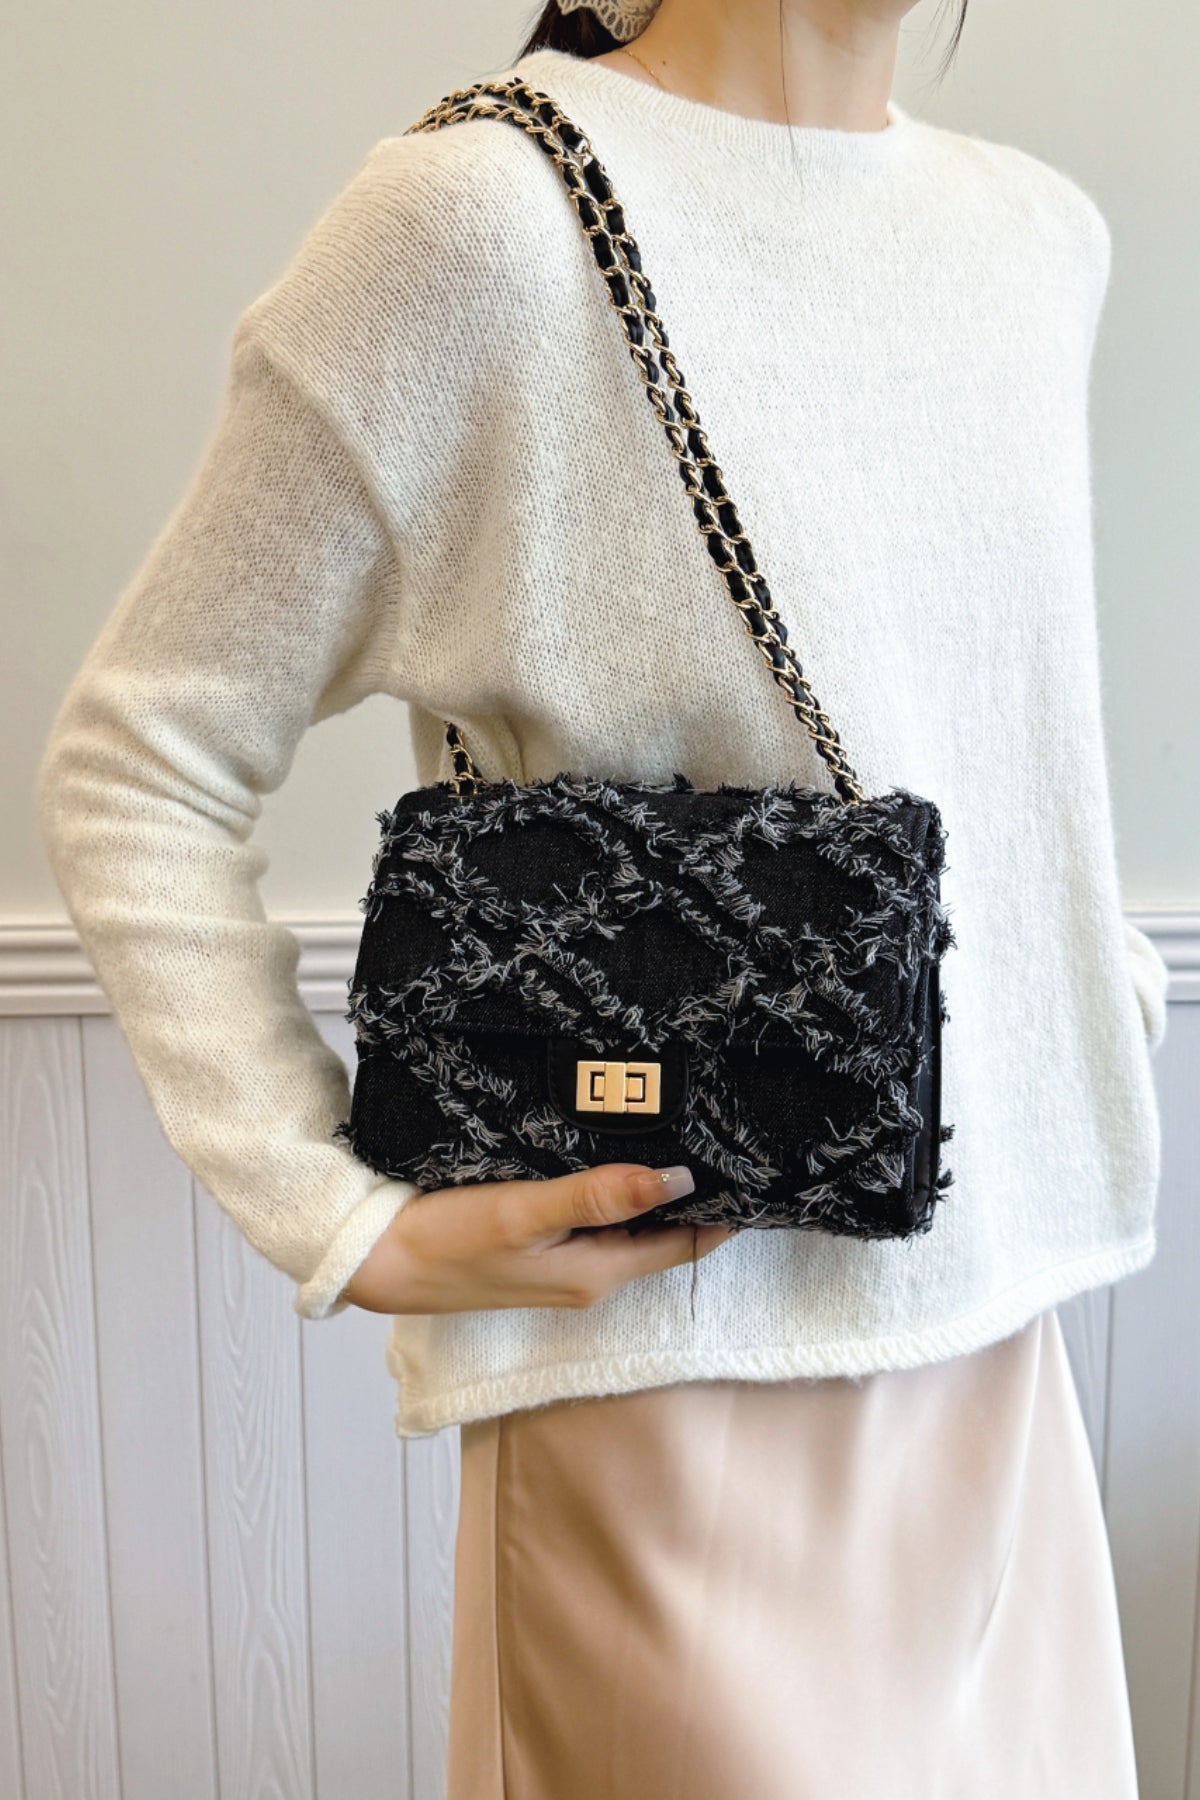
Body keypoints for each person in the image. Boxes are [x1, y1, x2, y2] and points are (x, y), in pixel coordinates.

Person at [38, 0, 1170, 1793]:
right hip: (662, 1384)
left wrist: (1085, 988)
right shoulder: (479, 222)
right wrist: (340, 1219)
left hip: (1002, 1349)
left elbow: (991, 720)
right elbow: (140, 757)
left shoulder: (1039, 241)